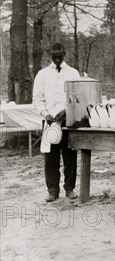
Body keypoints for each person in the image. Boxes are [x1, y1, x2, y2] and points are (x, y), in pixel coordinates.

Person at [32, 43, 81, 202]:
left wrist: (68, 110)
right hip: (51, 123)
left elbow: (79, 97)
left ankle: (70, 189)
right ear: (50, 54)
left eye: (60, 56)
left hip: (69, 121)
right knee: (51, 159)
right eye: (54, 56)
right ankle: (52, 190)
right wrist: (46, 114)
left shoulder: (73, 73)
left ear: (65, 53)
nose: (57, 59)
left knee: (70, 156)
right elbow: (37, 99)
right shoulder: (42, 74)